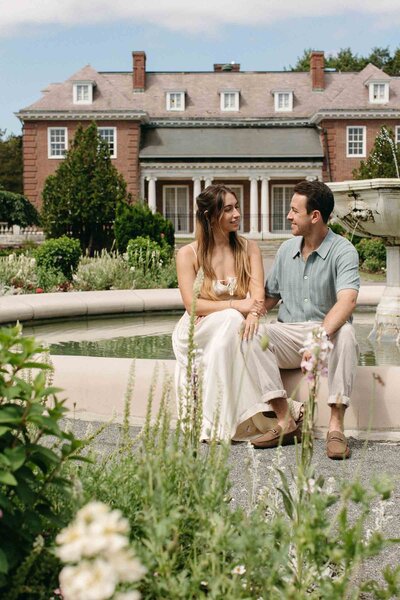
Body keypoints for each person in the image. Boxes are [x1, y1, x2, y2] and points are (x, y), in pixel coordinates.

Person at [172, 184, 304, 442]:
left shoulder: (249, 248)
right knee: (234, 319)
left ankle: (219, 423)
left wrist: (253, 314)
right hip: (197, 330)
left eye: (237, 207)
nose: (237, 214)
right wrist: (237, 306)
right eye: (228, 209)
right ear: (211, 217)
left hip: (234, 329)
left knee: (237, 330)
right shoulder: (188, 254)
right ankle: (275, 414)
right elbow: (192, 306)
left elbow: (257, 297)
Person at [252, 180, 359, 459]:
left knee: (347, 333)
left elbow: (347, 301)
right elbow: (270, 296)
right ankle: (286, 421)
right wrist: (242, 313)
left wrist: (319, 337)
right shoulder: (286, 250)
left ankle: (335, 427)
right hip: (289, 334)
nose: (288, 216)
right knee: (253, 333)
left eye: (294, 211)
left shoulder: (344, 250)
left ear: (315, 216)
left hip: (328, 334)